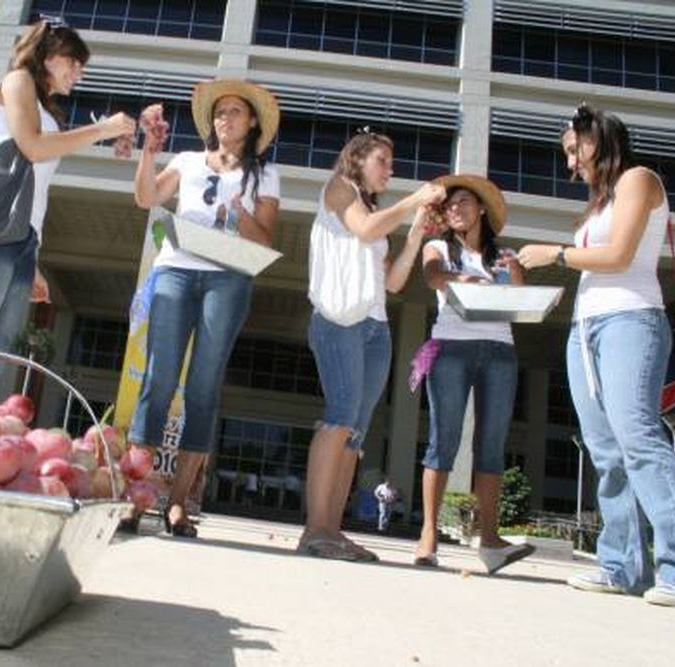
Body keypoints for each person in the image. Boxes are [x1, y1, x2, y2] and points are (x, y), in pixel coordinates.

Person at [518, 103, 675, 608]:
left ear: (597, 140)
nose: (570, 163)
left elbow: (617, 257)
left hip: (630, 320)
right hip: (585, 327)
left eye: (574, 150)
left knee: (639, 440)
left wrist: (556, 254)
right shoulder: (599, 201)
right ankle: (619, 567)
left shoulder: (640, 179)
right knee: (605, 450)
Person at [0, 19, 135, 410]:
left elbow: (34, 190)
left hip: (19, 238)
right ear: (48, 56)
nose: (78, 73)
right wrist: (99, 132)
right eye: (73, 62)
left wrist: (31, 262)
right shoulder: (18, 82)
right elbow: (31, 147)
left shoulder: (47, 109)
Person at [126, 79, 282, 537]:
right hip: (176, 266)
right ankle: (136, 496)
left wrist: (240, 212)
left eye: (234, 111)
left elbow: (265, 238)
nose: (224, 118)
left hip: (228, 276)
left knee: (204, 385)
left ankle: (178, 503)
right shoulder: (189, 160)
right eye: (219, 112)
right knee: (158, 378)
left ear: (252, 121)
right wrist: (149, 151)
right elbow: (146, 198)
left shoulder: (265, 174)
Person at [300, 130, 445, 561]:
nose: (390, 169)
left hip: (374, 327)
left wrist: (416, 233)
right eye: (382, 160)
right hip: (338, 322)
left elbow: (395, 281)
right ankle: (314, 530)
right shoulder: (339, 188)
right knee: (340, 417)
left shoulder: (375, 213)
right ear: (357, 160)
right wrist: (414, 201)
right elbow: (363, 230)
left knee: (355, 432)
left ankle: (332, 528)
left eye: (390, 162)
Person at [412, 174, 534, 574]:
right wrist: (460, 277)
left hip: (499, 350)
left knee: (492, 443)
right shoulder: (439, 247)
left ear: (482, 208)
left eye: (463, 202)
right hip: (451, 348)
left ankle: (491, 539)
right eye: (449, 205)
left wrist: (514, 269)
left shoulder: (503, 254)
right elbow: (431, 276)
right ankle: (428, 534)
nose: (455, 209)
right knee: (442, 439)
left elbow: (519, 293)